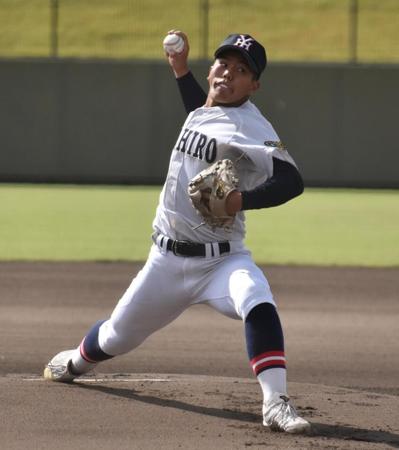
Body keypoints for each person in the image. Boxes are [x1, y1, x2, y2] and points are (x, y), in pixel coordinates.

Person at [44, 30, 311, 434]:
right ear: (212, 70)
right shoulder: (205, 107)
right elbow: (200, 113)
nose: (228, 73)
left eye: (242, 70)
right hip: (166, 263)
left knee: (257, 298)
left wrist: (240, 200)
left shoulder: (255, 126)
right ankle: (77, 361)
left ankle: (275, 402)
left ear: (254, 85)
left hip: (222, 259)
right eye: (223, 63)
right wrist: (180, 70)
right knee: (116, 336)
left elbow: (292, 180)